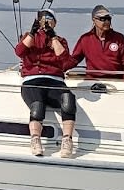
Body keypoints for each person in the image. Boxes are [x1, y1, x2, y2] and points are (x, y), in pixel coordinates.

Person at [15, 9, 79, 157]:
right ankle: (35, 139)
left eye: (49, 19)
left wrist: (52, 36)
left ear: (55, 22)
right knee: (37, 105)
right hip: (32, 80)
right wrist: (33, 32)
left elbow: (64, 58)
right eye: (43, 19)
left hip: (54, 80)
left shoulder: (60, 41)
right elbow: (19, 51)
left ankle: (67, 140)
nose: (46, 21)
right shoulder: (29, 37)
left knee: (68, 100)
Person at [70, 5, 124, 79]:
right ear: (94, 20)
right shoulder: (85, 39)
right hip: (92, 80)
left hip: (116, 80)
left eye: (108, 19)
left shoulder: (119, 38)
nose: (107, 22)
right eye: (103, 19)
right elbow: (73, 60)